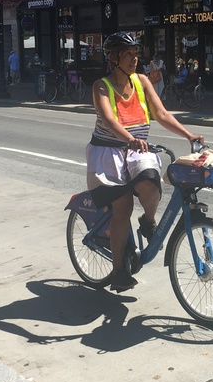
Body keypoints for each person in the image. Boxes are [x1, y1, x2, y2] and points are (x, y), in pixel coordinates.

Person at [85, 32, 203, 292]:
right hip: (108, 153)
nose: (135, 59)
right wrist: (130, 139)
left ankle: (148, 221)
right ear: (114, 58)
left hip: (137, 151)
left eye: (136, 53)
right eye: (128, 54)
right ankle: (118, 272)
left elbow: (160, 113)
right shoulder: (101, 86)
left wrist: (189, 134)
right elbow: (109, 120)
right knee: (122, 207)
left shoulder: (141, 81)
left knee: (152, 183)